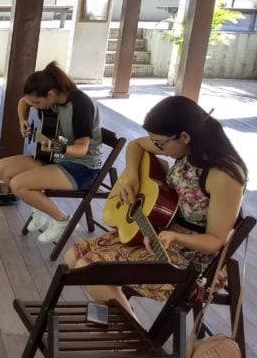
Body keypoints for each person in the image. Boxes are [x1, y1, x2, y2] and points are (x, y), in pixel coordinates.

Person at [65, 96, 247, 317]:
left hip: (193, 260)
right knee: (73, 257)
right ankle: (120, 325)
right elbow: (137, 144)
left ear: (185, 136)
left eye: (161, 143)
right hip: (160, 232)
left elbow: (215, 241)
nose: (159, 148)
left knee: (90, 270)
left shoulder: (224, 176)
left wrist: (175, 237)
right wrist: (132, 177)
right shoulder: (187, 149)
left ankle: (132, 338)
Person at [0, 61, 103, 243]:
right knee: (2, 168)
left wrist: (56, 147)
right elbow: (24, 101)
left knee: (19, 185)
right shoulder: (52, 100)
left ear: (50, 94)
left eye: (37, 102)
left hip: (82, 167)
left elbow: (81, 150)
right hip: (56, 157)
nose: (34, 106)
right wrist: (22, 120)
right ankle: (39, 208)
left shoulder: (81, 105)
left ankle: (63, 222)